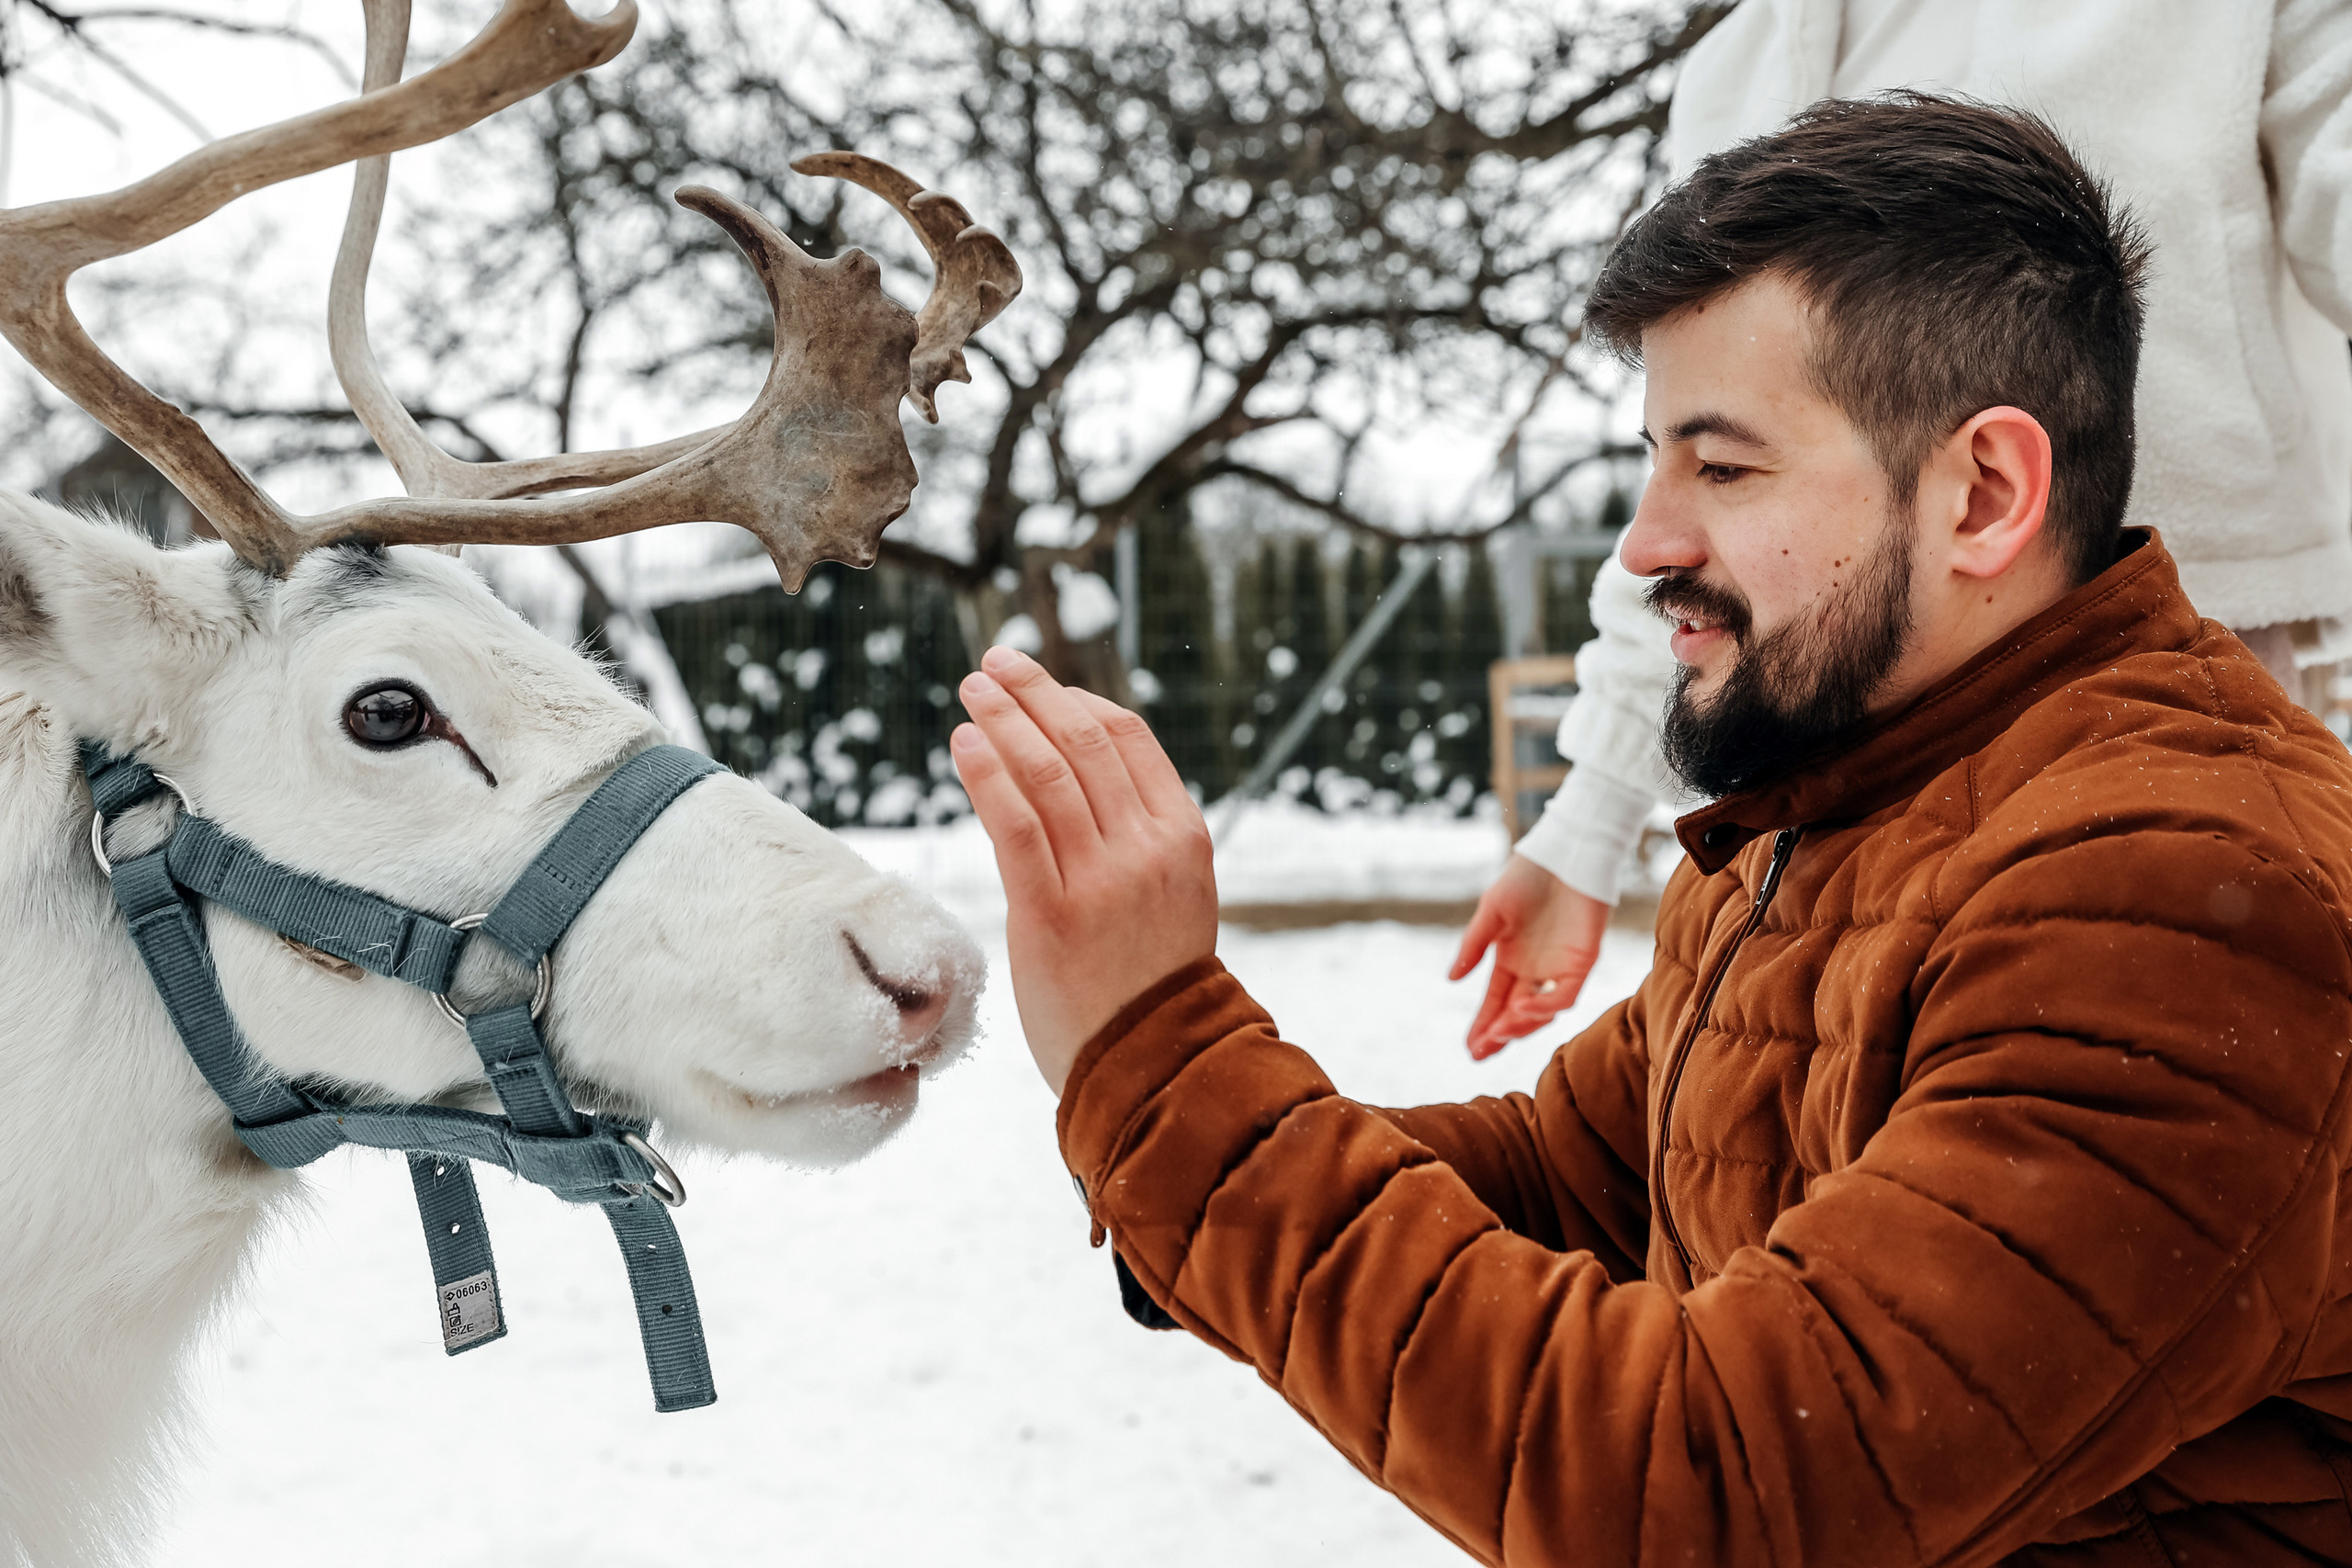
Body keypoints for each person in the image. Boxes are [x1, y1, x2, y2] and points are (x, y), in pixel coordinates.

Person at [951, 96, 2352, 1563]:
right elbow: (1585, 1180)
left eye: (1723, 465)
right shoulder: (1845, 812)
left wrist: (1167, 1063)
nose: (1645, 541)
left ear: (1983, 493)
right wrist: (1170, 1162)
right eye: (1652, 457)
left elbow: (1713, 1489)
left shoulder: (2181, 899)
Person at [1458, 0, 2352, 1060]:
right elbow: (1715, 482)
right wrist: (1585, 823)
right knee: (1796, 1159)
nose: (1643, 543)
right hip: (1817, 715)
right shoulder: (1736, 59)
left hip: (2153, 676)